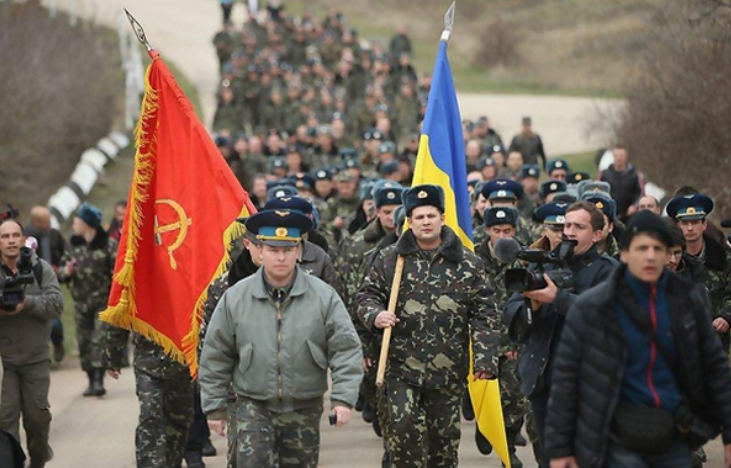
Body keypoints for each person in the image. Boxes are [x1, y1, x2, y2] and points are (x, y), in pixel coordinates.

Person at [545, 211, 731, 468]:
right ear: (624, 254)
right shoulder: (592, 307)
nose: (650, 256)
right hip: (614, 439)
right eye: (642, 248)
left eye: (658, 248)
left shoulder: (689, 302)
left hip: (674, 436)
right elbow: (567, 381)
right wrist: (560, 449)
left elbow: (716, 370)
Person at [200, 209, 363, 468]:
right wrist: (215, 407)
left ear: (298, 252)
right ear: (260, 251)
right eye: (273, 250)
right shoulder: (236, 297)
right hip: (252, 404)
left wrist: (343, 399)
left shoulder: (323, 296)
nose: (280, 257)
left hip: (304, 406)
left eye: (287, 250)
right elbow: (216, 354)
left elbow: (345, 348)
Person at [357, 184, 499, 468]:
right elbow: (366, 296)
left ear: (442, 219)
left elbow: (484, 313)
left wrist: (485, 359)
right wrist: (376, 315)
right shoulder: (390, 259)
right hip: (400, 367)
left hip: (447, 370)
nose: (425, 222)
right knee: (403, 432)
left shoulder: (467, 263)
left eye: (431, 216)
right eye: (419, 217)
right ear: (409, 221)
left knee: (442, 443)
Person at [504, 201, 617, 466]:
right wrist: (532, 305)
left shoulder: (608, 270)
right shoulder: (541, 265)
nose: (570, 232)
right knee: (550, 457)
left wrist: (559, 299)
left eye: (579, 226)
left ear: (597, 234)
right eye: (567, 225)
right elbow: (511, 314)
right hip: (544, 380)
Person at [0, 219, 64, 468]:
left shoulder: (40, 268)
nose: (11, 241)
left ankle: (38, 460)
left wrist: (27, 302)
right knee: (5, 420)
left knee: (37, 419)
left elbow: (56, 305)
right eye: (5, 236)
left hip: (35, 358)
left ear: (24, 239)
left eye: (15, 235)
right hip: (4, 362)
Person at [474, 207, 526, 468]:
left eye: (508, 231)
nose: (503, 236)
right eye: (497, 231)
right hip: (479, 341)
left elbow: (525, 304)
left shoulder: (522, 260)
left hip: (512, 342)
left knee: (515, 397)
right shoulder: (472, 259)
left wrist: (513, 342)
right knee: (483, 392)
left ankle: (509, 445)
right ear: (487, 231)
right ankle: (483, 426)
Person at [58, 203, 117, 397]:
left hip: (102, 303)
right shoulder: (73, 245)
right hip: (80, 303)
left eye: (77, 221)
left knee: (98, 340)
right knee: (83, 342)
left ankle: (99, 380)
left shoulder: (108, 245)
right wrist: (66, 272)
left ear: (86, 223)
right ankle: (90, 379)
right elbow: (61, 273)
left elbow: (117, 273)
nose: (74, 224)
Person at [24, 206, 67, 362]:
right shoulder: (25, 238)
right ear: (35, 222)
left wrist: (60, 267)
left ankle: (58, 344)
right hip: (31, 283)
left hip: (51, 281)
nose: (48, 225)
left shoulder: (54, 235)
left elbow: (65, 252)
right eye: (45, 222)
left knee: (55, 320)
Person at [599, 145, 644, 222]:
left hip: (630, 214)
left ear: (626, 156)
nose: (619, 158)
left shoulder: (634, 174)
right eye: (617, 155)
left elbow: (640, 192)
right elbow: (600, 192)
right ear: (613, 156)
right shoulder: (605, 174)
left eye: (621, 155)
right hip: (611, 215)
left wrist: (634, 206)